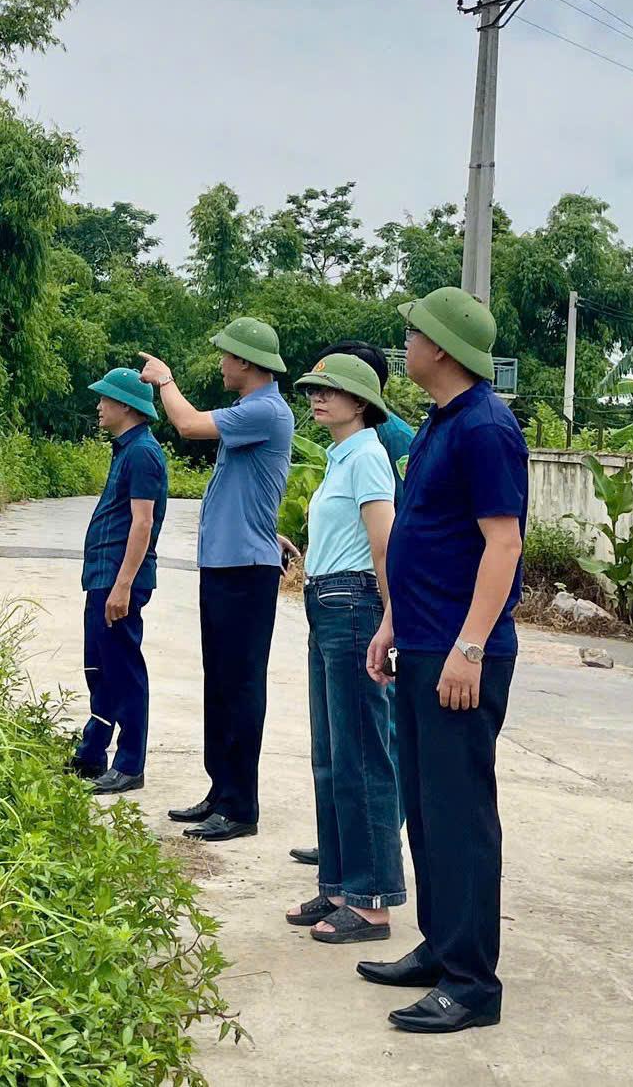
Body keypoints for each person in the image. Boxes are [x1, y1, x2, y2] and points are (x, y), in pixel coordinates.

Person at [360, 286, 527, 1035]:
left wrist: (469, 646)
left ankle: (472, 984)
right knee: (427, 812)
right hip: (422, 642)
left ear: (444, 349)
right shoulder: (439, 423)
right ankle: (440, 946)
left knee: (460, 816)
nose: (407, 345)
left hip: (462, 653)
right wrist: (393, 620)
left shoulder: (487, 427)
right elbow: (423, 537)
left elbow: (504, 544)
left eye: (415, 333)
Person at [138, 317, 294, 842]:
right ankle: (220, 789)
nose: (222, 363)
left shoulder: (264, 410)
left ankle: (241, 805)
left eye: (227, 355)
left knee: (241, 685)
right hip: (230, 563)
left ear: (247, 362)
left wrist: (164, 381)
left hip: (246, 569)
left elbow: (186, 424)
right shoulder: (256, 410)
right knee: (220, 682)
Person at [281, 354, 404, 943]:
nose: (317, 398)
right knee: (330, 757)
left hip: (354, 605)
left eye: (330, 391)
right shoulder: (340, 458)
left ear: (361, 403)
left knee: (361, 757)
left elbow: (383, 543)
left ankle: (373, 901)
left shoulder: (369, 457)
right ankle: (337, 888)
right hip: (324, 604)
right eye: (313, 390)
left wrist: (390, 619)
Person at [70, 368, 169, 795]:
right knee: (100, 665)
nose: (99, 406)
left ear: (126, 406)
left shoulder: (143, 453)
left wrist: (124, 584)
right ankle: (94, 752)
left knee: (124, 669)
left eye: (106, 399)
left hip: (117, 579)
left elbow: (142, 524)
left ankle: (130, 763)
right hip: (104, 576)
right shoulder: (125, 450)